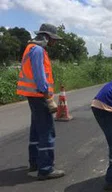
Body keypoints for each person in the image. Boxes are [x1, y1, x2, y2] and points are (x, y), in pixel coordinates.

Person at [16, 23, 65, 180]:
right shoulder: (37, 50)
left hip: (33, 96)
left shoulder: (30, 48)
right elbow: (39, 77)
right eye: (54, 39)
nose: (55, 42)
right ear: (47, 37)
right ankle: (45, 169)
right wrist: (48, 98)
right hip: (39, 96)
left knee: (36, 129)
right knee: (47, 131)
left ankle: (35, 162)